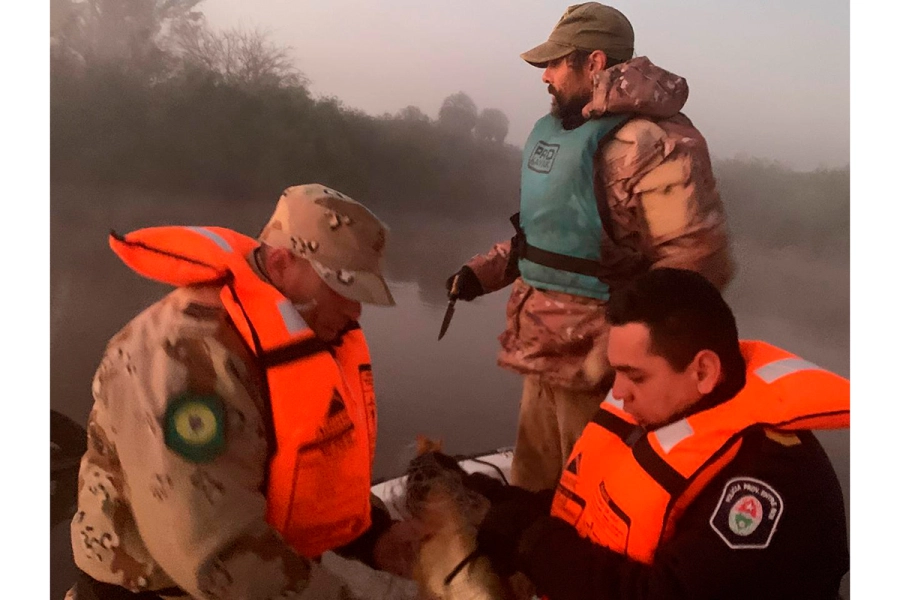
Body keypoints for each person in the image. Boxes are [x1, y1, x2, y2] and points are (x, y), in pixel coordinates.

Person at [67, 184, 416, 600]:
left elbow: (310, 470)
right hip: (154, 589)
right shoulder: (181, 359)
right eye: (342, 288)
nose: (355, 310)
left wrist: (375, 536)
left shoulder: (304, 335)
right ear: (283, 264)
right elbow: (218, 553)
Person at [445, 2, 734, 492]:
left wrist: (620, 353)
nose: (546, 76)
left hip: (604, 375)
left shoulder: (654, 143)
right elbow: (545, 238)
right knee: (532, 492)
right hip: (543, 353)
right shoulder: (563, 134)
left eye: (556, 62)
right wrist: (482, 272)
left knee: (592, 502)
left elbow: (695, 264)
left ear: (595, 63)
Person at [468, 267, 850, 600]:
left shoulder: (769, 478)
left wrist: (531, 542)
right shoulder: (673, 411)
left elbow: (660, 594)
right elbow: (595, 514)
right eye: (615, 371)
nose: (616, 392)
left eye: (635, 375)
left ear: (703, 372)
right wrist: (497, 502)